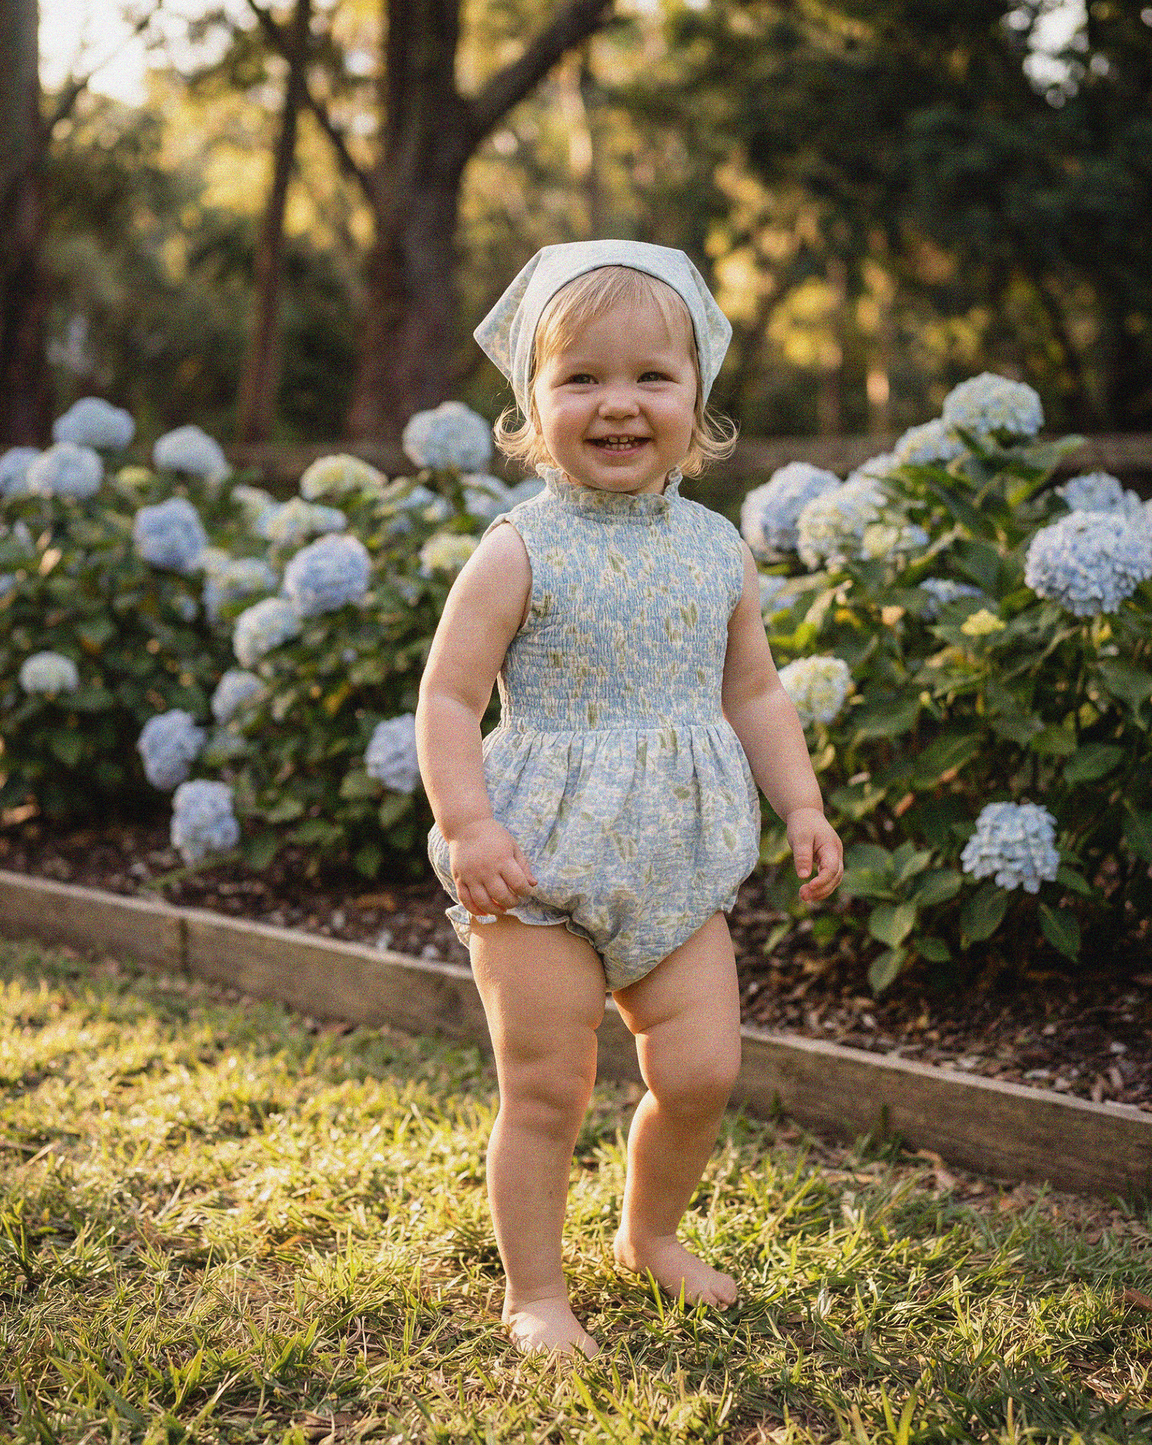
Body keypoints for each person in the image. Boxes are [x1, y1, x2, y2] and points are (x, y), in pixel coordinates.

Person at [415, 240, 844, 1358]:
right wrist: (468, 823)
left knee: (701, 1069)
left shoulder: (716, 551)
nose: (618, 403)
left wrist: (799, 801)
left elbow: (752, 689)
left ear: (695, 396)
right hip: (534, 862)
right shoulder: (517, 550)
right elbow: (451, 699)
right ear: (531, 402)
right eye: (581, 378)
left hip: (674, 859)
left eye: (652, 376)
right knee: (549, 1088)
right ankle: (534, 1293)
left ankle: (647, 1234)